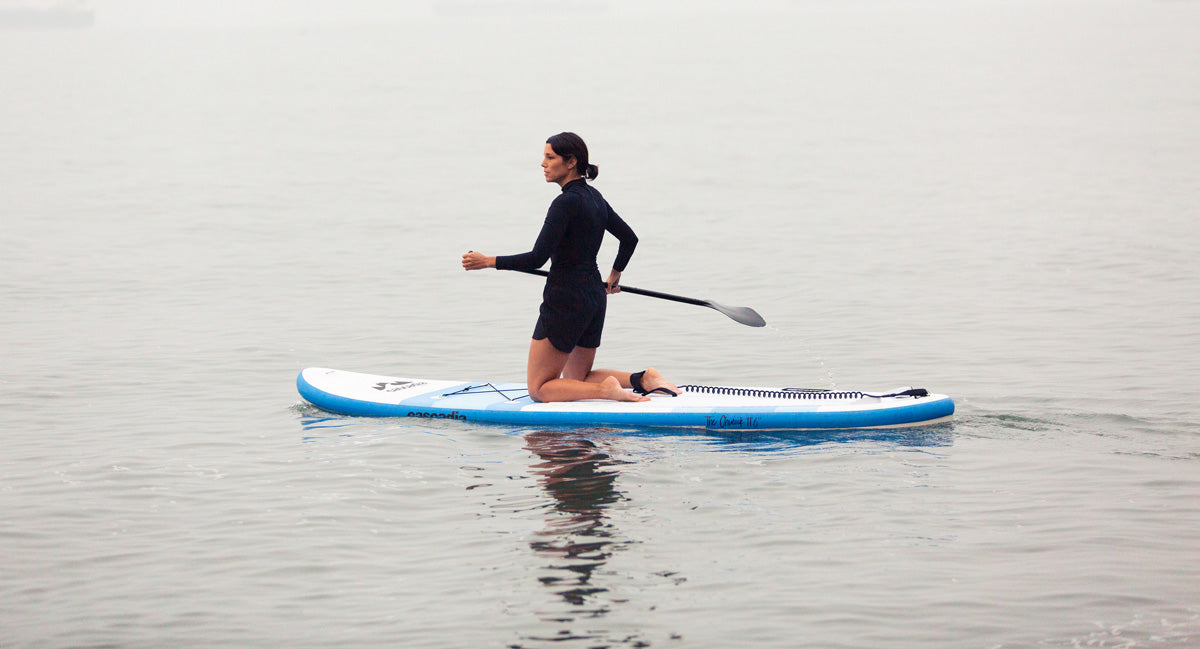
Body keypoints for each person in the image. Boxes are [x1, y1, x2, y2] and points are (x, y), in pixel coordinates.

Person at [461, 132, 679, 403]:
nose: (543, 163)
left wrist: (488, 262)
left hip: (565, 299)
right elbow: (629, 238)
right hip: (594, 297)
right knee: (577, 379)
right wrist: (614, 276)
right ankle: (642, 379)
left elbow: (536, 259)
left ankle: (606, 391)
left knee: (539, 388)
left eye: (550, 157)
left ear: (571, 162)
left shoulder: (564, 203)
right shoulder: (594, 197)